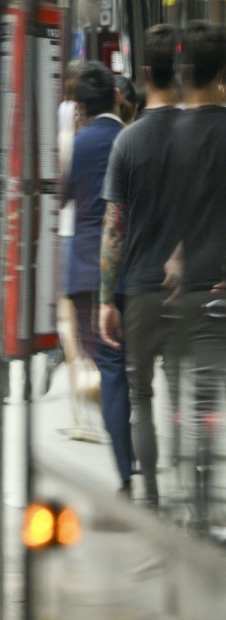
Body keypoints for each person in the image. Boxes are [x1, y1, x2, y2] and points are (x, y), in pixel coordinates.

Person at [98, 25, 182, 508]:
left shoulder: (127, 143)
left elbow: (115, 227)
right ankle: (196, 486)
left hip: (142, 290)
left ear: (144, 73)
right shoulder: (204, 132)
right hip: (195, 285)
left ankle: (148, 494)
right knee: (192, 395)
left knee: (142, 398)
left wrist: (107, 299)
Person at [163, 21, 226, 527]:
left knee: (188, 395)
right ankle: (204, 499)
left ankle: (193, 499)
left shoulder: (170, 133)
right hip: (218, 287)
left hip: (177, 288)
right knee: (209, 394)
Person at [63, 61, 132, 495]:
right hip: (133, 268)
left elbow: (63, 196)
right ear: (117, 98)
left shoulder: (78, 144)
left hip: (87, 269)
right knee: (126, 368)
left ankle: (127, 465)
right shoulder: (129, 138)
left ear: (81, 107)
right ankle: (135, 451)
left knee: (109, 368)